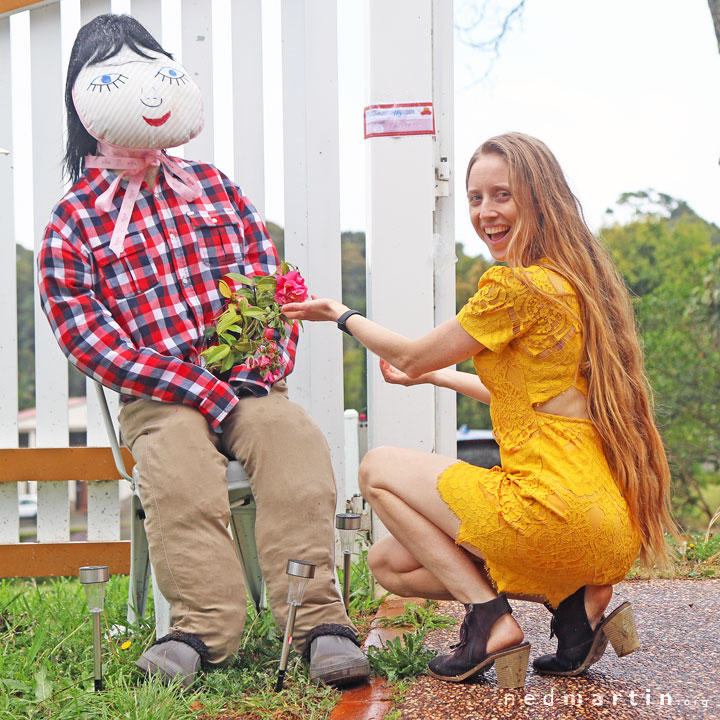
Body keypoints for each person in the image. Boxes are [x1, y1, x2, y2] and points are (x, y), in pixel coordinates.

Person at [37, 13, 369, 688]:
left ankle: (318, 624)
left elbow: (268, 287)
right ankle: (199, 627)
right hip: (160, 400)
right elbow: (88, 338)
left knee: (294, 446)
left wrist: (259, 362)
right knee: (180, 477)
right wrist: (192, 389)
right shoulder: (74, 220)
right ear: (87, 100)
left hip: (245, 386)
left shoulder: (213, 188)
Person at [283, 132, 678, 688]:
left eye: (502, 196)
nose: (486, 212)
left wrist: (339, 313)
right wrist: (437, 376)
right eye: (475, 198)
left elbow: (411, 351)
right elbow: (529, 400)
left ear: (540, 199)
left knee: (376, 470)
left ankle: (491, 620)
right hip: (607, 529)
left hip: (549, 510)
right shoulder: (577, 285)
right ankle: (572, 604)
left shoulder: (514, 286)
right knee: (390, 564)